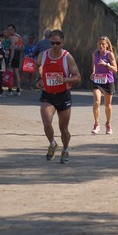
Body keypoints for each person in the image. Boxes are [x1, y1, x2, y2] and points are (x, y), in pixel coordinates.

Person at [35, 29, 82, 164]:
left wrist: (64, 80)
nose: (55, 46)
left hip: (63, 95)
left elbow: (77, 77)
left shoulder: (67, 57)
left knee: (63, 128)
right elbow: (38, 66)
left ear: (63, 42)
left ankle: (65, 149)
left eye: (58, 43)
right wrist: (40, 79)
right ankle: (52, 143)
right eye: (52, 43)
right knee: (47, 122)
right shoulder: (43, 55)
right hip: (48, 94)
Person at [90, 36, 118, 135]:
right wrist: (93, 72)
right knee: (97, 102)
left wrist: (106, 65)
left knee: (107, 105)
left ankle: (108, 124)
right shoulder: (95, 53)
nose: (101, 46)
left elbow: (115, 69)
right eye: (99, 44)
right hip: (97, 80)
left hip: (108, 81)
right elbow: (94, 64)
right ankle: (96, 124)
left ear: (107, 45)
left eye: (103, 44)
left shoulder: (109, 55)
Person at [6, 24, 23, 96]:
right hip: (18, 55)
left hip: (14, 55)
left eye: (10, 29)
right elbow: (22, 47)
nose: (9, 31)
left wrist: (10, 60)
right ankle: (18, 90)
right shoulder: (18, 36)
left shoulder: (13, 38)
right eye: (8, 29)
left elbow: (12, 49)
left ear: (14, 29)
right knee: (16, 72)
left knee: (10, 72)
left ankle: (10, 90)